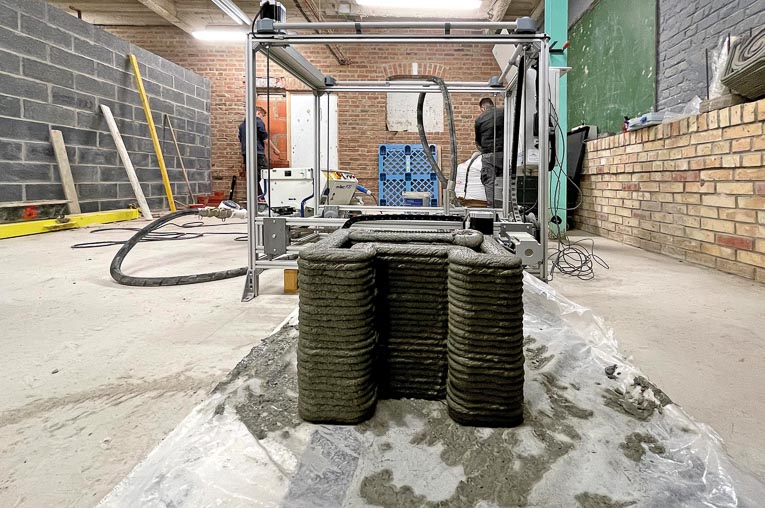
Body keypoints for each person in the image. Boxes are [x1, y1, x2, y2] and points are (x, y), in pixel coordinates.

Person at [238, 107, 281, 195]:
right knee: (264, 176)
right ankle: (263, 197)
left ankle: (254, 199)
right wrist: (276, 150)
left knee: (251, 178)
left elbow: (240, 139)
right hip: (257, 154)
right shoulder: (258, 122)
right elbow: (265, 139)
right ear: (258, 112)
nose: (262, 117)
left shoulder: (242, 125)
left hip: (246, 154)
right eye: (263, 115)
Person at [474, 97, 504, 207]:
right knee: (505, 181)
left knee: (489, 181)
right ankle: (506, 207)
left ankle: (491, 208)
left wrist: (483, 150)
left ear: (483, 108)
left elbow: (477, 140)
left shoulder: (480, 119)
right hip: (504, 154)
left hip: (488, 154)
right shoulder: (504, 112)